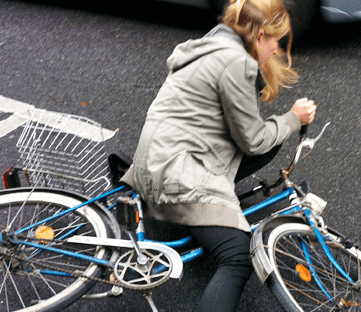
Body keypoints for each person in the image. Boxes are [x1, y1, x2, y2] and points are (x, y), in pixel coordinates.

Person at [120, 0, 316, 310]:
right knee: (239, 256)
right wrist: (293, 119)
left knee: (272, 138)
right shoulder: (236, 63)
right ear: (261, 35)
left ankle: (213, 207)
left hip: (155, 160)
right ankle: (208, 211)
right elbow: (252, 140)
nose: (278, 50)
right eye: (278, 41)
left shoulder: (210, 46)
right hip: (175, 173)